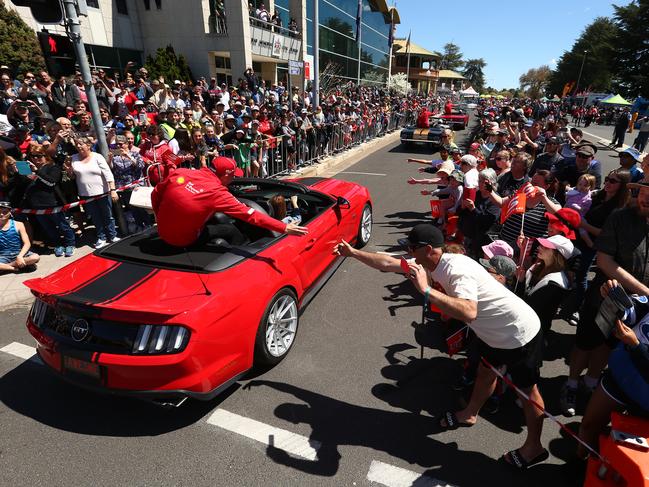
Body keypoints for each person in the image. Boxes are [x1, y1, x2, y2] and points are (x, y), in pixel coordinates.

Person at [334, 224, 548, 469]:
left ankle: (534, 447)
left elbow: (469, 311)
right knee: (486, 373)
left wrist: (425, 290)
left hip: (518, 334)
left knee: (527, 392)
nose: (408, 253)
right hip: (492, 335)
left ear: (427, 249)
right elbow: (387, 262)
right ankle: (470, 414)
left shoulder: (456, 270)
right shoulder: (429, 261)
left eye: (412, 249)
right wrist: (353, 253)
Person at [151, 156, 308, 247]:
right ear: (225, 176)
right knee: (229, 229)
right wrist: (283, 227)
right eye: (233, 176)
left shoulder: (181, 172)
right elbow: (250, 215)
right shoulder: (218, 193)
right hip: (182, 240)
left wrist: (159, 218)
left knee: (216, 217)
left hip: (162, 232)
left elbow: (155, 194)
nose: (233, 179)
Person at [66, 136, 119, 248]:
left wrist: (113, 190)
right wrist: (68, 170)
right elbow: (72, 176)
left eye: (81, 143)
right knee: (95, 217)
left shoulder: (97, 157)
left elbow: (108, 173)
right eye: (77, 144)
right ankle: (101, 237)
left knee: (107, 215)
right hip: (86, 194)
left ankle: (112, 235)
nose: (78, 146)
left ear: (88, 145)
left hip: (103, 192)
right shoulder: (73, 158)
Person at [520, 235, 573, 333]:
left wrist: (520, 283)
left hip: (534, 328)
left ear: (557, 254)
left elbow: (531, 305)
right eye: (541, 245)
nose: (539, 247)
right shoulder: (539, 266)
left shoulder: (555, 283)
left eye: (546, 247)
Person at [0, 200, 40, 273]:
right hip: (3, 255)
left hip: (19, 252)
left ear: (10, 212)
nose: (1, 214)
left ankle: (5, 267)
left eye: (4, 212)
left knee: (35, 257)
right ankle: (13, 268)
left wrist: (20, 256)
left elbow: (27, 243)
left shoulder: (18, 224)